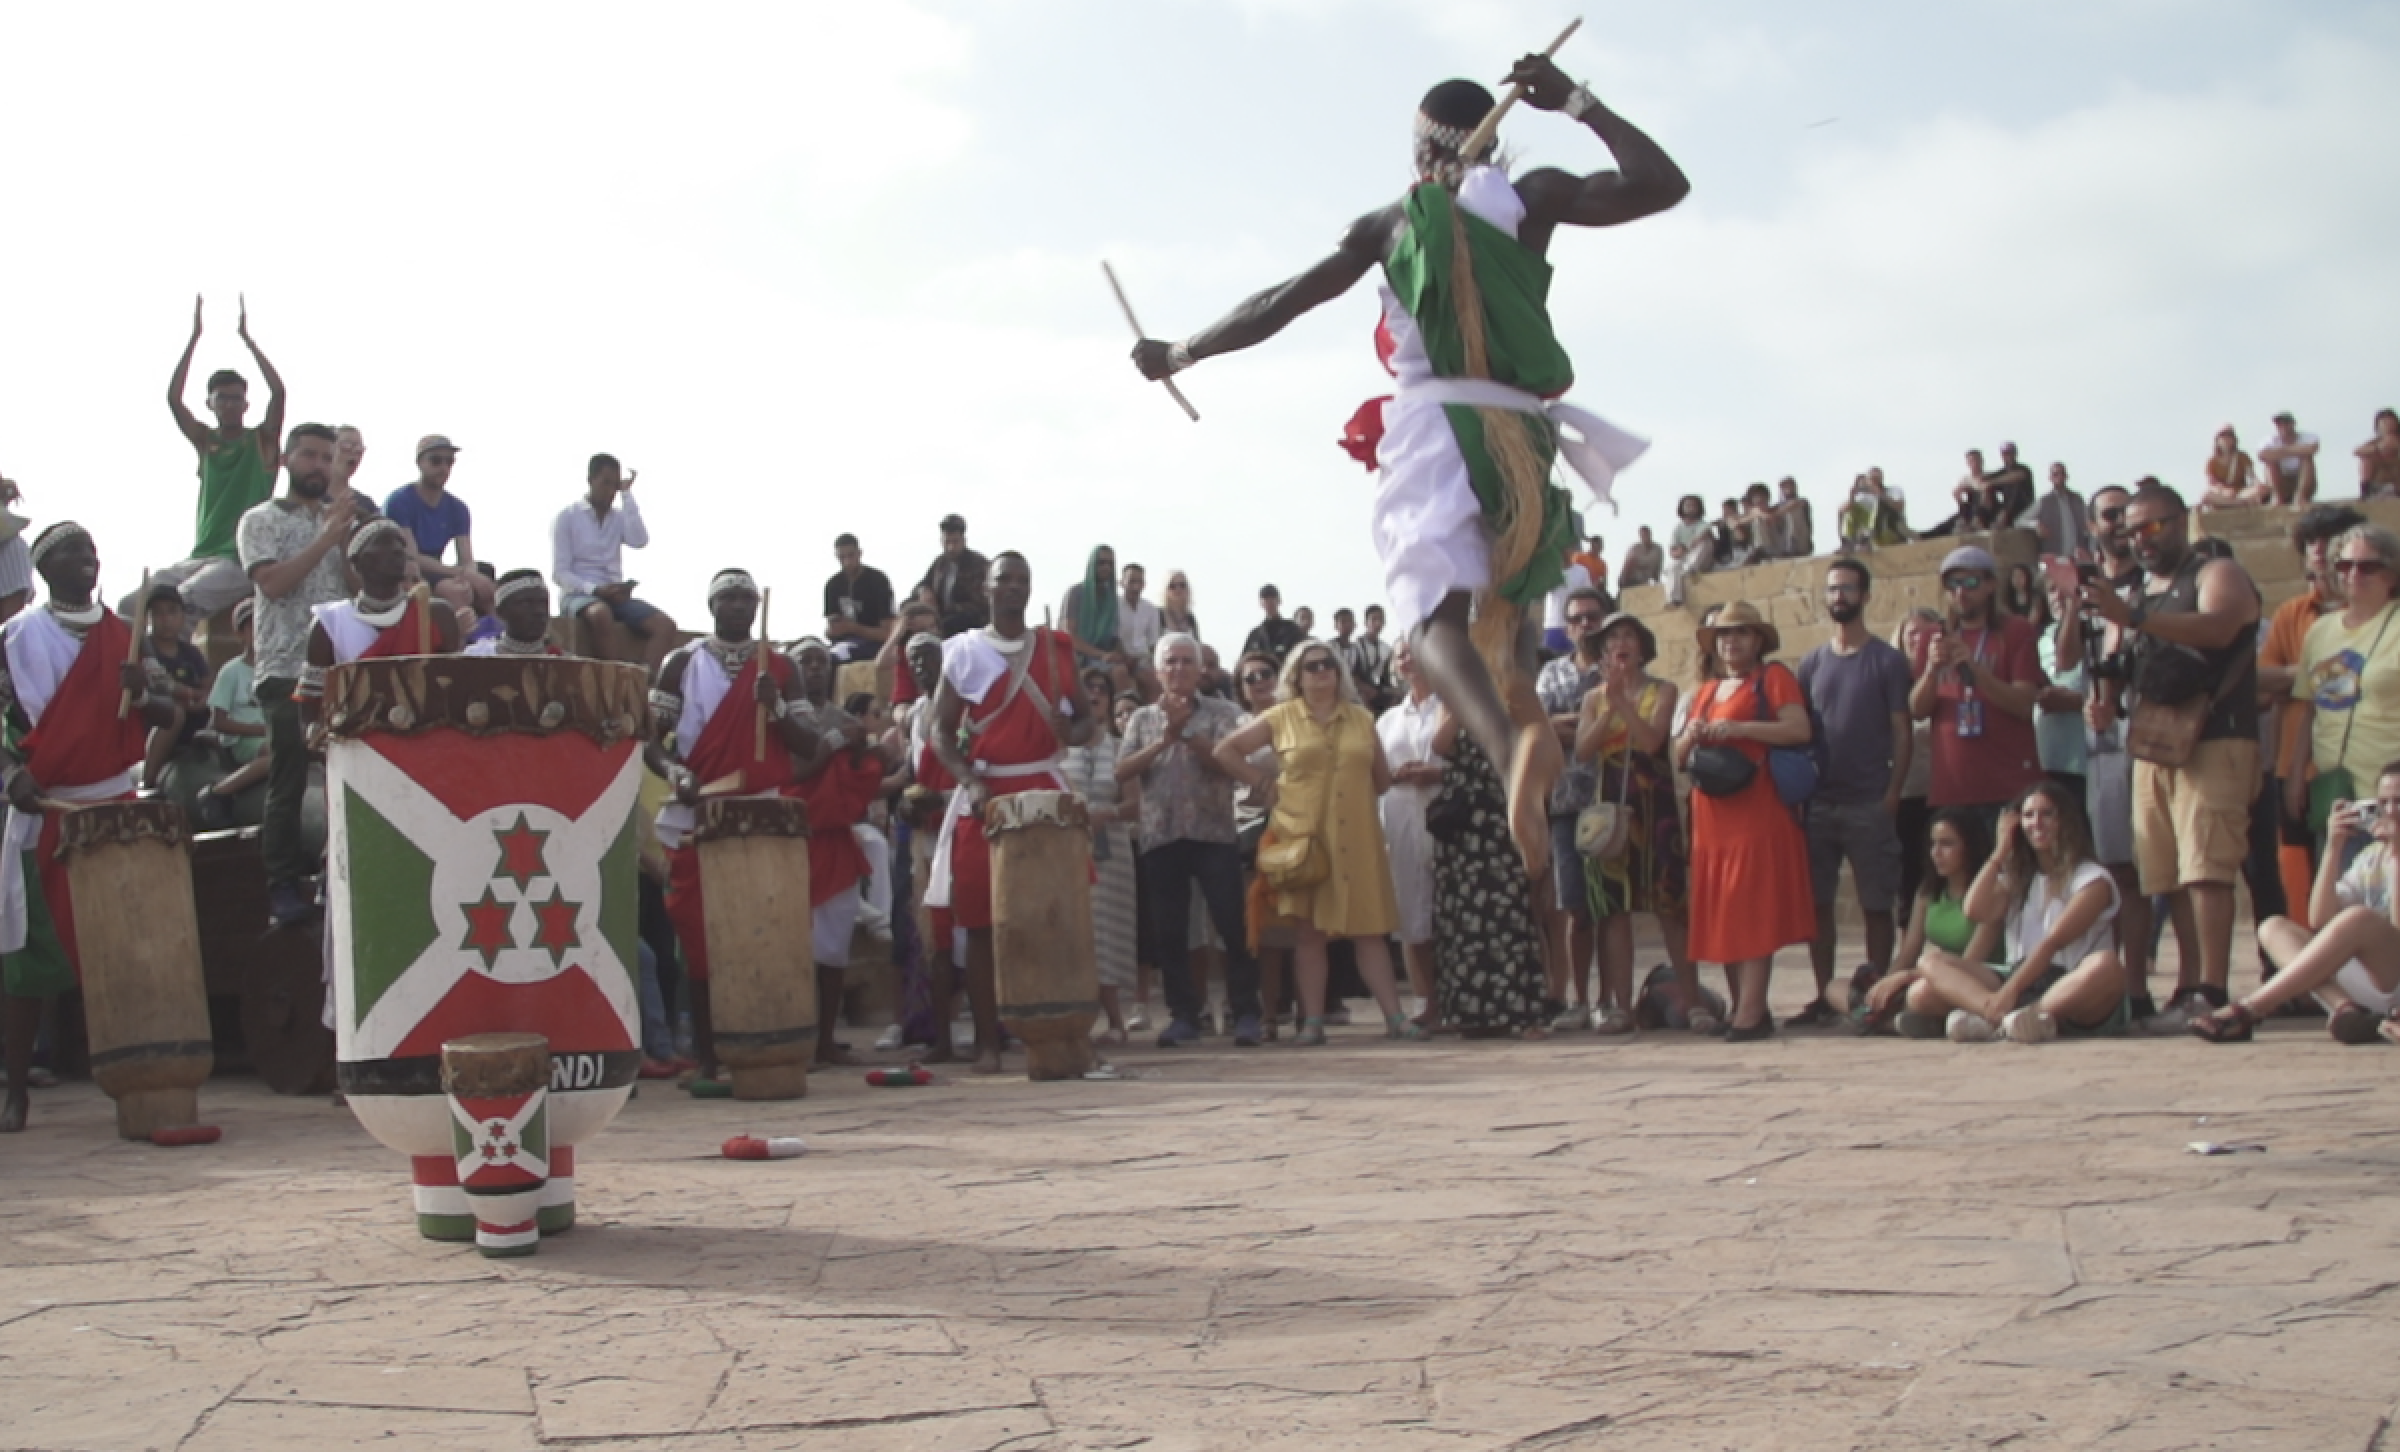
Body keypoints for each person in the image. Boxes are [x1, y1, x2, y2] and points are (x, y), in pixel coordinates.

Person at [1132, 55, 1685, 883]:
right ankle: (1530, 725)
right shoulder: (1535, 199)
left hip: (1440, 429)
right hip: (1524, 441)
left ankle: (1508, 757)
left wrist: (1180, 350)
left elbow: (1280, 301)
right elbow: (1659, 184)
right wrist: (1575, 101)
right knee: (1509, 623)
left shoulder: (1393, 224)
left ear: (1423, 152)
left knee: (1433, 620)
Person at [1, 523, 177, 1132]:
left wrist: (144, 695)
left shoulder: (124, 638)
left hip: (112, 803)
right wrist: (10, 777)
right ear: (43, 567)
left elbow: (168, 711)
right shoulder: (15, 637)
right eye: (71, 551)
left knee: (128, 950)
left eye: (92, 549)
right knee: (31, 958)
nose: (87, 558)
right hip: (46, 807)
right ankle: (15, 1087)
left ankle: (142, 1085)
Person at [2080, 482, 2261, 1025]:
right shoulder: (2140, 593)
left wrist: (2135, 618)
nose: (2142, 538)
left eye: (2153, 526)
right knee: (2167, 873)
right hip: (2153, 740)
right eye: (2134, 530)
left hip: (2214, 736)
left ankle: (2212, 986)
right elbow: (2125, 660)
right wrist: (2105, 701)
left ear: (2182, 522)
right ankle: (2185, 987)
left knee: (2206, 867)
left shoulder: (2214, 573)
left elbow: (2220, 625)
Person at [646, 571, 818, 1083]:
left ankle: (772, 1037)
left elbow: (810, 744)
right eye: (730, 597)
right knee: (701, 937)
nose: (740, 606)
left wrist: (778, 707)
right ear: (712, 604)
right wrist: (675, 770)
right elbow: (651, 741)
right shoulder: (682, 663)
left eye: (747, 597)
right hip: (703, 812)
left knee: (766, 931)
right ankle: (708, 1053)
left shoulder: (781, 667)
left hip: (763, 813)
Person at [926, 553, 1093, 1073]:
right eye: (1005, 580)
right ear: (986, 589)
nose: (1015, 588)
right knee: (979, 920)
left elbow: (1088, 718)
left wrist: (1075, 733)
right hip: (988, 794)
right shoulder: (965, 652)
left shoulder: (1056, 648)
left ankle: (1060, 1029)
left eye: (1023, 580)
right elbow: (939, 729)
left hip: (1045, 784)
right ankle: (987, 1041)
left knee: (1055, 914)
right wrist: (970, 780)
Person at [1215, 638, 1416, 1042]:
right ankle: (1312, 1023)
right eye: (1312, 666)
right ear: (1297, 676)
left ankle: (1395, 1018)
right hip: (1304, 839)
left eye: (1328, 664)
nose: (1321, 671)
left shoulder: (1362, 719)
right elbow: (1226, 751)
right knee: (1309, 933)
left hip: (1357, 837)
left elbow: (1380, 781)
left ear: (1340, 672)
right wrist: (1261, 783)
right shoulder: (1280, 717)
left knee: (1369, 930)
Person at [1676, 600, 1815, 1040]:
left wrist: (1739, 731)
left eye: (1739, 633)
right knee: (1723, 909)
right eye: (1723, 635)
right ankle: (1743, 1005)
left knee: (1751, 906)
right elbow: (1677, 756)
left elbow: (1798, 729)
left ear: (1757, 640)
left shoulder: (1773, 679)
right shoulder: (1704, 692)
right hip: (1712, 815)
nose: (1730, 642)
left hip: (1755, 807)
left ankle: (1751, 1011)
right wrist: (1691, 736)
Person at [238, 422, 357, 929]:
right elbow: (273, 583)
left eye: (326, 457)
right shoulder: (259, 519)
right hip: (285, 668)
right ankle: (282, 881)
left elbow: (355, 588)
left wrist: (347, 541)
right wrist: (325, 538)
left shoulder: (338, 521)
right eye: (308, 455)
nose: (318, 466)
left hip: (338, 670)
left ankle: (340, 875)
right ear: (287, 461)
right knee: (288, 775)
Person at [1902, 781, 2127, 1043]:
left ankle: (2027, 1016)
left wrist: (2010, 991)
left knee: (2106, 965)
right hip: (2017, 977)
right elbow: (1974, 910)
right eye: (2029, 815)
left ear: (2066, 820)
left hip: (2069, 981)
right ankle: (1997, 1017)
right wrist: (2000, 852)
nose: (2036, 823)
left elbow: (2053, 942)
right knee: (1927, 972)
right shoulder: (2019, 877)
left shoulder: (2092, 879)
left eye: (2047, 814)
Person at [2194, 763, 2400, 1043]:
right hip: (2368, 978)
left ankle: (2250, 1009)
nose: (2389, 812)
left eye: (2398, 802)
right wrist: (2333, 846)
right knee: (2274, 927)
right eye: (2382, 803)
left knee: (2358, 919)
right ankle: (2344, 1008)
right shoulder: (2372, 856)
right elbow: (2319, 919)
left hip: (2393, 975)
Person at [1792, 558, 1913, 1026]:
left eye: (1847, 588)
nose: (1838, 596)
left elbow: (1902, 732)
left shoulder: (1887, 661)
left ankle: (1878, 996)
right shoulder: (1812, 664)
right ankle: (1825, 996)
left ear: (1865, 595)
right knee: (1818, 905)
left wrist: (1892, 792)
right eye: (1832, 589)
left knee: (1876, 904)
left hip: (1869, 799)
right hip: (1821, 802)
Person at [1573, 612, 1690, 1032]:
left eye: (1628, 636)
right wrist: (1608, 706)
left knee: (1669, 906)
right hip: (1611, 809)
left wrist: (1624, 703)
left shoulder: (1663, 690)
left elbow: (1652, 740)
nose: (1620, 643)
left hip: (1654, 806)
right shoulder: (1592, 699)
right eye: (1612, 638)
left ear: (1642, 647)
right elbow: (1583, 752)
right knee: (1614, 910)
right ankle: (1620, 1005)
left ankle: (1692, 1001)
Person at [148, 295, 287, 622]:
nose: (229, 404)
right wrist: (195, 337)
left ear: (246, 404)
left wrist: (247, 339)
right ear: (210, 403)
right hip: (199, 557)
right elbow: (173, 399)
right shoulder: (206, 442)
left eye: (237, 398)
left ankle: (177, 668)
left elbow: (279, 393)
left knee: (181, 602)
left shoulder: (261, 441)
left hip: (238, 560)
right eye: (222, 398)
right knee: (139, 600)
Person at [779, 638, 885, 1068]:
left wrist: (859, 746)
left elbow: (863, 773)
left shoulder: (846, 719)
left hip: (834, 839)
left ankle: (825, 1039)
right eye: (806, 661)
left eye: (823, 661)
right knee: (794, 945)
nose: (816, 668)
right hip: (794, 838)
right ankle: (796, 1035)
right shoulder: (780, 719)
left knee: (834, 947)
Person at [1910, 545, 2048, 840]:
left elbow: (2024, 703)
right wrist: (1932, 670)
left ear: (1991, 585)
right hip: (1952, 789)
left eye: (1970, 583)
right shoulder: (1932, 636)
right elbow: (1917, 709)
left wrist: (1975, 669)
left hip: (2008, 785)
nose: (1961, 592)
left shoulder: (2016, 631)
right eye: (1953, 584)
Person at [1429, 702, 1549, 1036]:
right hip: (1465, 821)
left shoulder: (1512, 693)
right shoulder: (1451, 697)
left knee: (1509, 912)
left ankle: (1519, 1012)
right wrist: (1459, 702)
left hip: (1503, 811)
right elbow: (1440, 744)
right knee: (1464, 917)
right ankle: (1471, 1012)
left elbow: (1534, 741)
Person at [2282, 523, 2400, 844]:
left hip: (2389, 800)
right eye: (2345, 565)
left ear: (2391, 574)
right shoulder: (2320, 632)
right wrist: (2296, 776)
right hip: (2336, 800)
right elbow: (2310, 709)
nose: (2354, 575)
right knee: (2337, 893)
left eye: (2368, 567)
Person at [297, 522, 465, 736]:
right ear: (358, 563)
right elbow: (311, 701)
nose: (396, 550)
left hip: (425, 738)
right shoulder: (329, 622)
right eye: (383, 544)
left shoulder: (435, 613)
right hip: (357, 742)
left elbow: (455, 684)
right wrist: (317, 735)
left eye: (400, 547)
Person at [1859, 809, 2001, 1037]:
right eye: (1932, 844)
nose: (1936, 853)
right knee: (1836, 989)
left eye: (1947, 844)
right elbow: (1908, 953)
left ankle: (1986, 1016)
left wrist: (1905, 977)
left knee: (1920, 992)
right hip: (1933, 974)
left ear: (1970, 847)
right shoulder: (1928, 891)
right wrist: (1883, 988)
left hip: (1976, 977)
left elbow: (1969, 962)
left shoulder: (1990, 893)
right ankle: (1913, 1021)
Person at [1535, 586, 1608, 1027]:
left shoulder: (1617, 670)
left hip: (1613, 798)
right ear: (1566, 627)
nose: (1585, 626)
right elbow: (1538, 727)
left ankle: (1612, 998)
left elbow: (1628, 722)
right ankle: (1579, 998)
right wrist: (1593, 724)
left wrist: (1570, 726)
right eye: (1577, 619)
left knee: (1613, 911)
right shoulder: (1551, 674)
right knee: (1574, 908)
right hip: (1565, 802)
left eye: (1592, 617)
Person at [1062, 666, 1139, 1044]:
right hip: (1069, 848)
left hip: (1113, 849)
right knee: (1077, 931)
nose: (1094, 694)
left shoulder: (1121, 745)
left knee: (1109, 932)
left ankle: (1116, 1021)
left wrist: (1105, 814)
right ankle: (1076, 1020)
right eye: (1086, 688)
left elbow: (1134, 803)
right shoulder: (1060, 746)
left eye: (1101, 690)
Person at [553, 454, 676, 673]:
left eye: (615, 485)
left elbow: (640, 540)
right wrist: (596, 590)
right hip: (579, 595)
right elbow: (560, 573)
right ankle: (616, 677)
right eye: (606, 483)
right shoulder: (568, 516)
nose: (611, 491)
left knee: (665, 625)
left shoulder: (618, 517)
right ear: (591, 480)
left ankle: (642, 680)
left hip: (614, 595)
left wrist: (627, 495)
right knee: (600, 614)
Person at [1376, 642, 1444, 1021]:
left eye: (1415, 650)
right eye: (1401, 653)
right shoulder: (1387, 720)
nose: (1408, 658)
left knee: (1446, 908)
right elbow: (1375, 771)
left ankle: (1455, 995)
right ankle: (1424, 1000)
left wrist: (1435, 774)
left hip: (1445, 812)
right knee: (1411, 909)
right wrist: (1396, 775)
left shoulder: (1452, 706)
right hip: (1401, 814)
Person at [383, 434, 494, 618]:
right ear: (419, 463)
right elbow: (411, 556)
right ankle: (459, 641)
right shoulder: (400, 501)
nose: (443, 468)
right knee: (453, 591)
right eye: (436, 461)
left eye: (449, 462)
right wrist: (461, 574)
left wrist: (471, 578)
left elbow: (466, 558)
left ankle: (495, 638)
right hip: (405, 571)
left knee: (487, 587)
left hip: (439, 570)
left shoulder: (458, 507)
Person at [192, 599, 270, 830]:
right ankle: (218, 793)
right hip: (244, 741)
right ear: (240, 633)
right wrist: (259, 730)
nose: (260, 633)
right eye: (253, 627)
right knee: (276, 753)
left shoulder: (275, 670)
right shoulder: (232, 671)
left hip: (269, 736)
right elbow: (219, 721)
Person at [138, 584, 215, 797]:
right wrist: (186, 695)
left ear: (182, 616)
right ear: (148, 618)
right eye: (158, 613)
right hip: (155, 720)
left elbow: (209, 686)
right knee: (175, 713)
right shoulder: (144, 649)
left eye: (172, 611)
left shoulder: (190, 653)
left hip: (194, 717)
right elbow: (157, 683)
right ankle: (148, 782)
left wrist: (202, 699)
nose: (166, 619)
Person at [1061, 544, 1134, 690]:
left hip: (1105, 655)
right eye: (1101, 563)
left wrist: (1123, 655)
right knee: (1119, 672)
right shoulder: (1075, 593)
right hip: (1080, 657)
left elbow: (1113, 637)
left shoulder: (1111, 599)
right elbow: (1069, 636)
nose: (1106, 567)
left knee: (1147, 675)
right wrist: (1101, 655)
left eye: (1110, 564)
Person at [823, 533, 896, 665]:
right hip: (841, 643)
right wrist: (831, 631)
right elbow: (832, 628)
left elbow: (887, 633)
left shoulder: (878, 581)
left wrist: (853, 628)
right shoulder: (832, 585)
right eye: (842, 557)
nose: (847, 562)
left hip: (873, 645)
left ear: (859, 553)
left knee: (837, 656)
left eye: (851, 555)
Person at [914, 513, 990, 638]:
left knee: (948, 624)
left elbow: (981, 604)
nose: (951, 547)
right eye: (947, 542)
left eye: (955, 542)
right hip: (939, 616)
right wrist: (924, 591)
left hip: (972, 623)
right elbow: (923, 583)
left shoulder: (979, 564)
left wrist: (940, 611)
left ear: (963, 541)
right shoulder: (940, 563)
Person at [465, 571, 563, 657]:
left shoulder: (566, 664)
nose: (539, 611)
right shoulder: (477, 658)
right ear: (500, 612)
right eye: (526, 603)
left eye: (544, 603)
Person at [1662, 495, 1716, 607]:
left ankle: (1689, 569)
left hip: (1702, 561)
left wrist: (1685, 548)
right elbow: (1673, 552)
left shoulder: (1704, 524)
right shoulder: (1678, 528)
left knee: (1705, 544)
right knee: (1673, 566)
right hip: (1685, 560)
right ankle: (1674, 600)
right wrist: (1680, 551)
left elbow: (1701, 538)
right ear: (1682, 508)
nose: (1690, 507)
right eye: (1687, 505)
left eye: (1693, 505)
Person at [1839, 467, 1910, 550]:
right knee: (1851, 511)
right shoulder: (1864, 498)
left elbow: (1899, 506)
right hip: (1873, 538)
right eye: (1872, 479)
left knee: (1879, 506)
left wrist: (1879, 494)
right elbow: (1842, 511)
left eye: (1876, 479)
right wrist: (1852, 496)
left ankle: (1865, 541)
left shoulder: (1893, 490)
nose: (1874, 482)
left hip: (1891, 532)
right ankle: (1848, 544)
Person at [2257, 412, 2320, 507]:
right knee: (2270, 463)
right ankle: (2278, 497)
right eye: (2279, 424)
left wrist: (2278, 452)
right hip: (2281, 482)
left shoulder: (2308, 437)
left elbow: (2312, 449)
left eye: (2285, 423)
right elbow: (2263, 455)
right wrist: (2297, 450)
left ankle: (2300, 497)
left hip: (2303, 481)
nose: (2282, 426)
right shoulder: (2269, 440)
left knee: (2307, 459)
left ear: (2293, 423)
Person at [1117, 562, 1165, 684]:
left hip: (1143, 661)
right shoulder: (1113, 606)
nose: (1136, 587)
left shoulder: (1151, 609)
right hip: (1119, 660)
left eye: (1139, 582)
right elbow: (1112, 637)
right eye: (1132, 581)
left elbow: (1153, 643)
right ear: (1121, 583)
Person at [2031, 462, 2089, 559]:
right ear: (2050, 478)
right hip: (2054, 556)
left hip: (2077, 557)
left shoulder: (2077, 499)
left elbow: (2088, 523)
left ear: (2066, 476)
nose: (2059, 477)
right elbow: (2019, 521)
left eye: (2062, 474)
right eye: (2055, 474)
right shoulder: (2044, 501)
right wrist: (2035, 524)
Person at [2200, 425, 2265, 511]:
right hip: (2223, 494)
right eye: (2223, 436)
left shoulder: (2242, 457)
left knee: (2261, 489)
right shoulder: (2211, 461)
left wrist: (2258, 484)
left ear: (2234, 439)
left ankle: (2235, 503)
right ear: (2217, 440)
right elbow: (2212, 483)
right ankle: (2239, 504)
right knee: (2206, 495)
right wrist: (2224, 490)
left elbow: (2252, 476)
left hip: (2242, 493)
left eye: (2229, 435)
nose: (2226, 439)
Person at [1241, 584, 1306, 664]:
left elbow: (1303, 656)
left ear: (1279, 601)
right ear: (1261, 604)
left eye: (1272, 598)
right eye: (1265, 599)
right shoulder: (1255, 635)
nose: (1269, 602)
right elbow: (1243, 662)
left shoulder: (1292, 630)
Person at [1351, 603, 1398, 712]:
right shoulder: (1356, 646)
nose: (1377, 623)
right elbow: (1352, 675)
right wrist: (1366, 689)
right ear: (1366, 623)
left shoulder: (1386, 648)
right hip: (1359, 690)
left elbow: (1386, 678)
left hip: (1378, 689)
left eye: (1380, 620)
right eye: (1373, 619)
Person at [2355, 409, 2400, 499]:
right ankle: (2367, 491)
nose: (2388, 425)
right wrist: (2379, 448)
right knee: (2366, 459)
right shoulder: (2376, 442)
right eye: (2384, 423)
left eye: (2390, 422)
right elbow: (2357, 451)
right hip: (2381, 480)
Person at [1774, 476, 1814, 559]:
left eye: (1789, 486)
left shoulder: (1802, 502)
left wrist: (1776, 513)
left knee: (1793, 511)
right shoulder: (1777, 507)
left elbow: (1794, 504)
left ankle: (1792, 545)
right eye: (1784, 487)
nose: (1787, 489)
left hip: (1800, 541)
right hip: (1782, 542)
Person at [1159, 570, 1201, 643]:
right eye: (1172, 586)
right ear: (1165, 591)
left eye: (1182, 585)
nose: (1178, 589)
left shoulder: (1191, 618)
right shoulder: (1158, 615)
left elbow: (1197, 647)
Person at [1619, 526, 1664, 591]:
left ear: (1650, 534)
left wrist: (1657, 583)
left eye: (1646, 534)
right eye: (1642, 535)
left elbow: (1658, 568)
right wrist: (1623, 581)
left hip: (1647, 580)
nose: (1644, 537)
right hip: (1633, 579)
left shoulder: (1658, 549)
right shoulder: (1635, 548)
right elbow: (1627, 565)